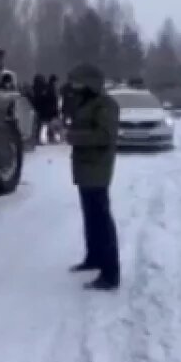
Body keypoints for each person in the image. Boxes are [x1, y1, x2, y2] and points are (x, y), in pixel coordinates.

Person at [65, 62, 120, 291]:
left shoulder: (106, 104)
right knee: (90, 217)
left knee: (101, 219)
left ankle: (110, 274)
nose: (74, 86)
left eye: (78, 81)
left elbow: (104, 136)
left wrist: (72, 136)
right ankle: (94, 257)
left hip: (97, 169)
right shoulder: (86, 102)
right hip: (86, 169)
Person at [43, 74, 61, 143]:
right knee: (52, 124)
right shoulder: (51, 88)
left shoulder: (49, 87)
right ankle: (51, 137)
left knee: (50, 124)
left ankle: (51, 137)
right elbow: (53, 99)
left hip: (49, 108)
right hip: (51, 109)